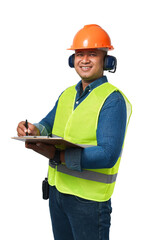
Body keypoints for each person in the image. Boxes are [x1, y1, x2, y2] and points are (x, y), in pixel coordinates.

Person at [17, 24, 132, 240]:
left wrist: (58, 157)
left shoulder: (112, 100)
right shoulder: (67, 94)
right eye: (79, 54)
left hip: (88, 202)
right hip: (58, 194)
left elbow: (108, 155)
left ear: (106, 61)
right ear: (72, 60)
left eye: (92, 54)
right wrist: (32, 130)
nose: (84, 60)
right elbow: (47, 124)